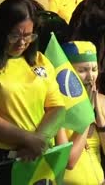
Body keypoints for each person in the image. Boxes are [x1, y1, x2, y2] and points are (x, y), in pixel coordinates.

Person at [0, 0, 65, 183]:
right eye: (15, 35)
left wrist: (38, 139)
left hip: (34, 157)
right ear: (1, 32)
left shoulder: (40, 61)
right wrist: (28, 139)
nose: (22, 42)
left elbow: (57, 107)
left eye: (28, 35)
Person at [56, 41, 105, 184]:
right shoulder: (55, 106)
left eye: (94, 69)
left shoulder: (101, 102)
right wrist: (87, 114)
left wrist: (99, 118)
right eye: (82, 70)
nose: (91, 76)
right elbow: (69, 161)